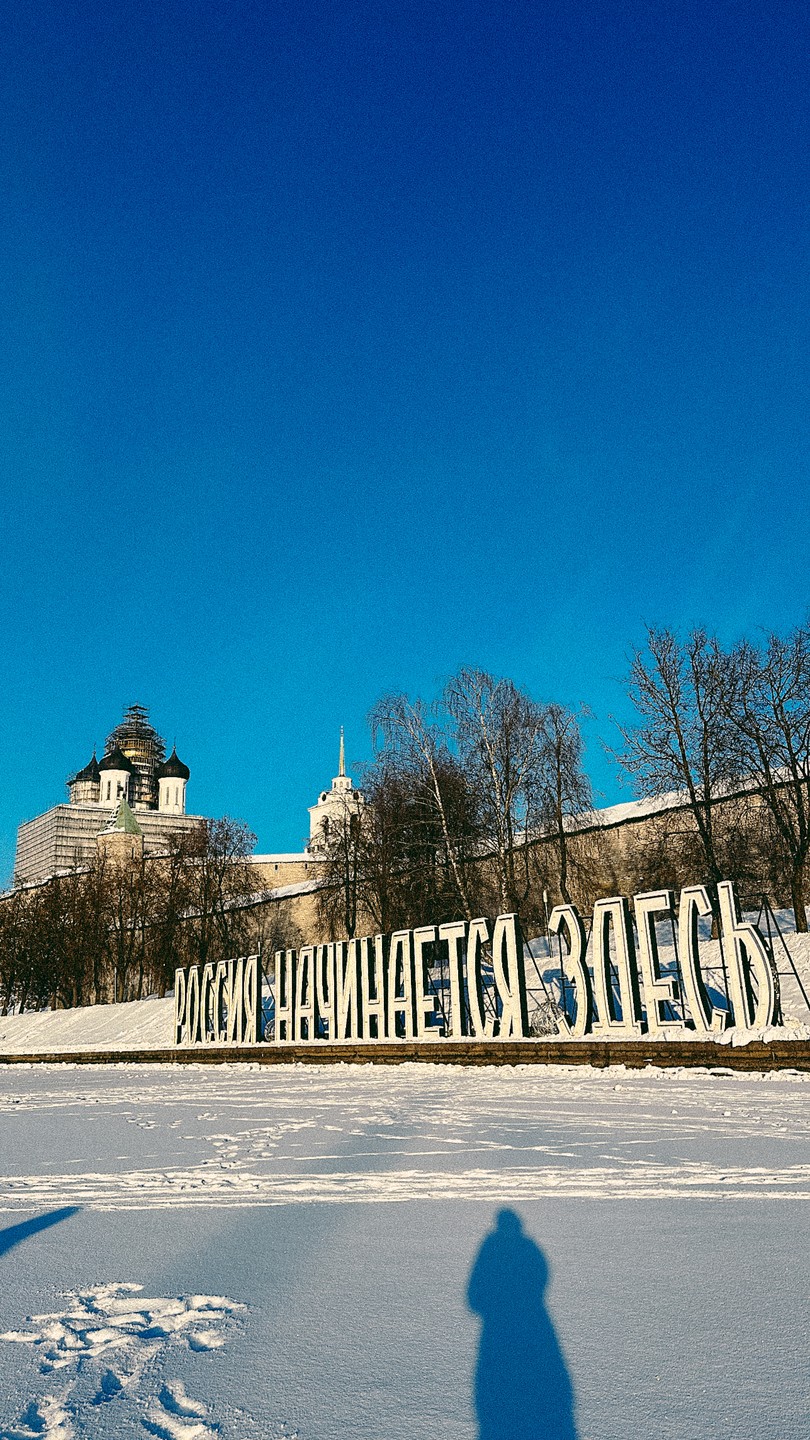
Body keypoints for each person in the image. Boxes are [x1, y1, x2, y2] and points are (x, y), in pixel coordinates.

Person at [467, 1209, 578, 1440]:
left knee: (509, 1372)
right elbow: (541, 1274)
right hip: (520, 1321)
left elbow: (475, 1292)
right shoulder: (517, 1248)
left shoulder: (493, 1249)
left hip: (508, 1323)